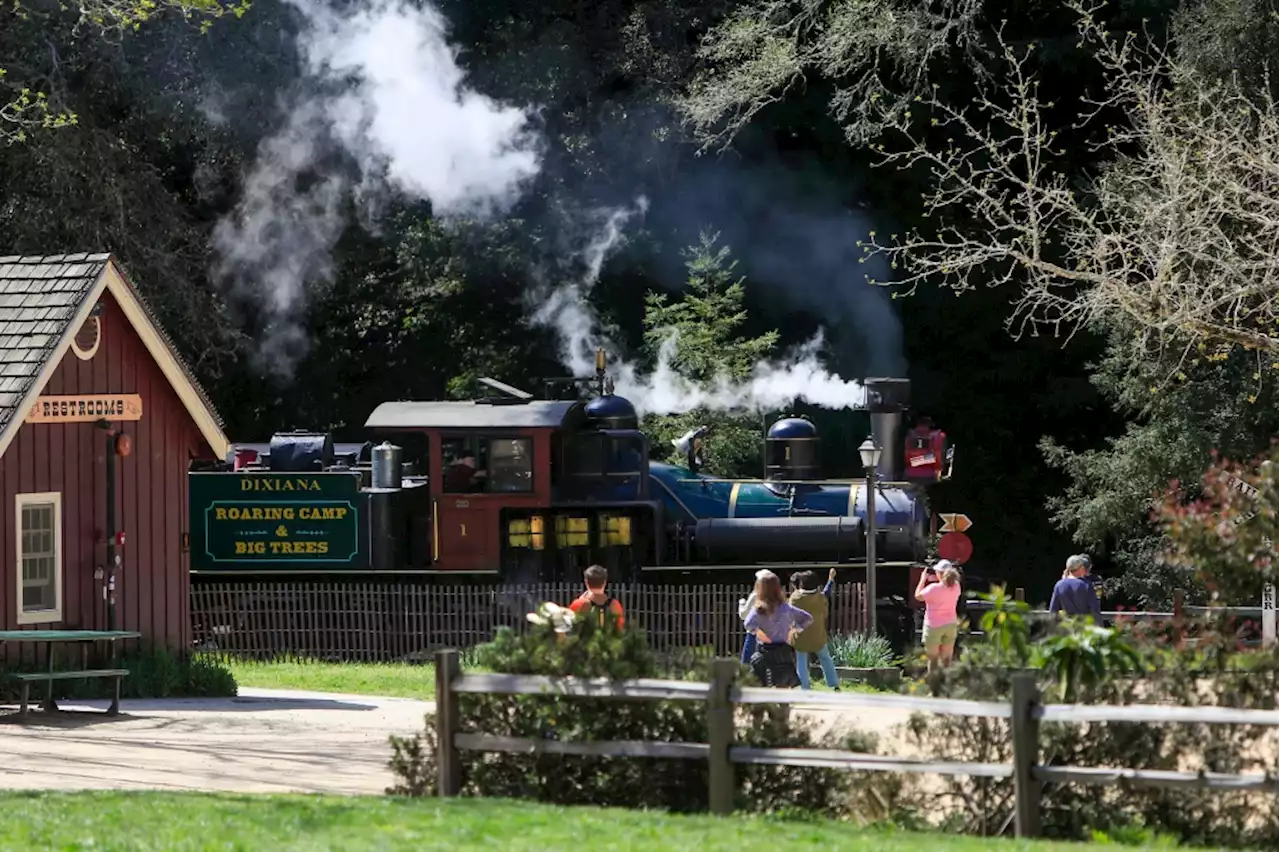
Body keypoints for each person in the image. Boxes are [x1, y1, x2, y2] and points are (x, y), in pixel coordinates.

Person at [743, 570, 813, 688]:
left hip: (764, 650)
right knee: (783, 683)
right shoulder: (786, 608)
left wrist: (758, 632)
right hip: (782, 651)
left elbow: (748, 624)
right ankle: (783, 705)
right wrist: (795, 629)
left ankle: (763, 704)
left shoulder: (759, 610)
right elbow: (808, 618)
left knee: (760, 683)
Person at [790, 569, 841, 691]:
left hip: (801, 636)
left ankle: (805, 687)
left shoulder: (796, 598)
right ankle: (834, 684)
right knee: (825, 658)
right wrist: (830, 579)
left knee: (801, 662)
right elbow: (826, 593)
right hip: (817, 635)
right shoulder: (820, 598)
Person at [915, 559, 962, 674]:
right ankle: (946, 687)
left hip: (933, 626)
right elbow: (946, 583)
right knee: (947, 659)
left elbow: (918, 596)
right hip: (950, 624)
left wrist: (922, 580)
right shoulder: (956, 587)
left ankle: (934, 688)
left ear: (939, 574)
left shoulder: (933, 589)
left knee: (933, 659)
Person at [1049, 555, 1103, 621]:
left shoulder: (1059, 585)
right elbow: (1095, 610)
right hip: (1083, 626)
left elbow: (1053, 610)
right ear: (1080, 568)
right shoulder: (1086, 585)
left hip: (1067, 627)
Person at [738, 569, 771, 664]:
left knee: (747, 662)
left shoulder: (755, 595)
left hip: (754, 633)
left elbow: (744, 615)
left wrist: (741, 603)